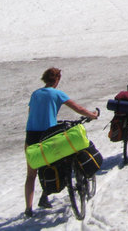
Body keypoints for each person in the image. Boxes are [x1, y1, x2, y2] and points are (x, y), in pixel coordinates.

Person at [24, 67, 99, 218]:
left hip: (31, 135)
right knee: (56, 163)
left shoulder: (35, 94)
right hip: (48, 135)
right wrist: (93, 115)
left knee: (31, 174)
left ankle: (28, 208)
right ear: (57, 79)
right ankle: (45, 195)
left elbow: (31, 112)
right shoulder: (57, 93)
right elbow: (77, 108)